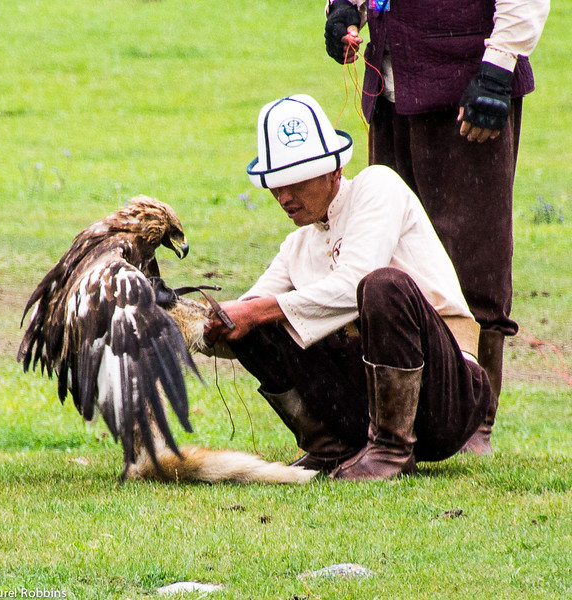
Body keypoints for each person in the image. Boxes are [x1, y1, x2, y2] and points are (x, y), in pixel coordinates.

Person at [204, 95, 492, 480]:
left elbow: (355, 281)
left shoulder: (378, 186)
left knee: (382, 286)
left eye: (296, 181)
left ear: (334, 170)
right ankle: (329, 447)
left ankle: (392, 450)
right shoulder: (297, 246)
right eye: (275, 185)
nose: (283, 197)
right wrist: (190, 325)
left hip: (446, 399)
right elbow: (245, 312)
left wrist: (257, 311)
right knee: (254, 318)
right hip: (362, 405)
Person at [323, 0, 550, 455]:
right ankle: (397, 416)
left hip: (468, 89)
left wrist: (499, 67)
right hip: (391, 84)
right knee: (387, 253)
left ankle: (474, 416)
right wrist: (344, 8)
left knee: (473, 251)